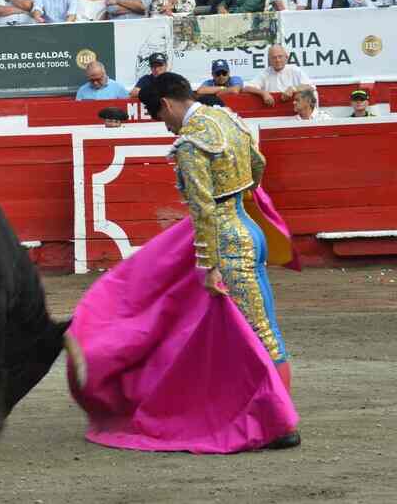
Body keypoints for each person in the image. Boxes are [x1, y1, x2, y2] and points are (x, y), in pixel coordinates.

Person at [67, 72, 301, 455]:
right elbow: (257, 165)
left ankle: (279, 423)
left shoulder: (191, 142)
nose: (166, 126)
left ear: (167, 104)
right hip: (250, 230)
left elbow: (203, 208)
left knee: (256, 331)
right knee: (265, 325)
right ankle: (276, 414)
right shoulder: (228, 118)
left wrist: (209, 265)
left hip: (227, 241)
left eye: (161, 117)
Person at [244, 44, 314, 107]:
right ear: (269, 60)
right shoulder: (265, 73)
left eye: (280, 56)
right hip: (272, 113)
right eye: (274, 57)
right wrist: (263, 93)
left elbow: (310, 87)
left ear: (286, 58)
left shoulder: (295, 70)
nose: (277, 60)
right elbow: (246, 88)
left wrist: (293, 89)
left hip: (293, 113)